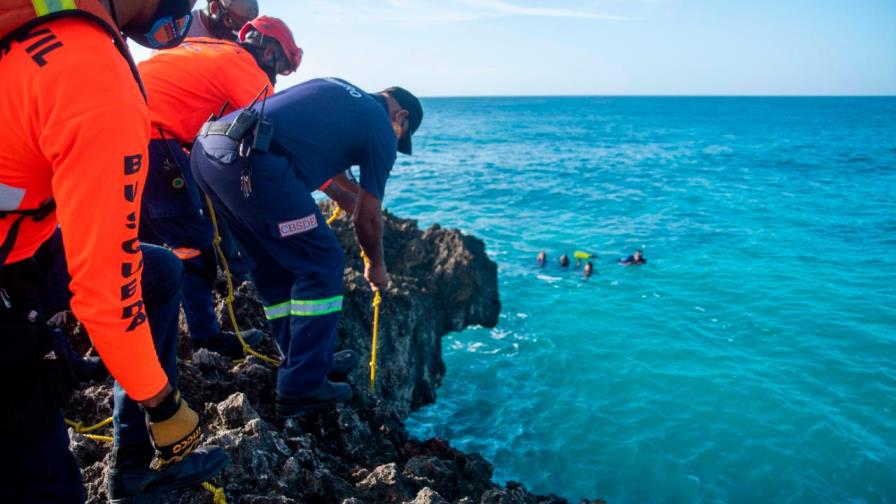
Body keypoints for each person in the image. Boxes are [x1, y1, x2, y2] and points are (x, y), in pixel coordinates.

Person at [0, 0, 228, 502]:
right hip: (9, 268)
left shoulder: (41, 18)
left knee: (160, 272)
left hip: (25, 241)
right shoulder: (95, 79)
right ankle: (146, 441)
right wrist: (164, 405)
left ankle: (134, 465)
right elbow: (106, 291)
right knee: (49, 483)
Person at [191, 78, 423, 417]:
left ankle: (301, 361)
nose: (397, 142)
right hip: (253, 163)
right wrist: (376, 266)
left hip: (209, 152)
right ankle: (302, 385)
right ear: (400, 116)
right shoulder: (381, 129)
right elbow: (368, 219)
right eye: (402, 135)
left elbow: (318, 159)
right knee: (323, 261)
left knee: (273, 266)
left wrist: (349, 197)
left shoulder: (339, 90)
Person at [138, 16, 301, 357]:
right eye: (282, 66)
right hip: (157, 145)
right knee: (193, 247)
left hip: (120, 135)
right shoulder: (242, 65)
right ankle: (205, 339)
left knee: (137, 241)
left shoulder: (205, 48)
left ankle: (124, 332)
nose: (276, 77)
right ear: (269, 52)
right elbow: (279, 130)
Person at [186, 0, 257, 40]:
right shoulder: (182, 28)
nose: (231, 33)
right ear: (214, 8)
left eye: (238, 28)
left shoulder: (233, 40)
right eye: (229, 21)